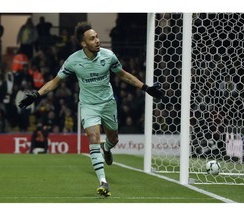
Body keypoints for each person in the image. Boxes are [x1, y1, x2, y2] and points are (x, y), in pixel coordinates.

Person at [18, 21, 164, 197]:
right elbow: (55, 82)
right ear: (83, 43)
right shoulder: (73, 61)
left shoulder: (109, 56)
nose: (97, 40)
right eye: (92, 38)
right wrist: (36, 95)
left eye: (97, 37)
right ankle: (103, 182)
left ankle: (107, 148)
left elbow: (124, 75)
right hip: (88, 106)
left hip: (108, 103)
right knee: (93, 137)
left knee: (114, 139)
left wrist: (146, 88)